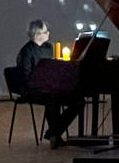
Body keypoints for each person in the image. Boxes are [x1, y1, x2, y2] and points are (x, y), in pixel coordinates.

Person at [16, 19, 81, 148]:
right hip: (33, 90)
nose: (48, 33)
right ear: (36, 34)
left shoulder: (49, 48)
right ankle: (55, 136)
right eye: (45, 32)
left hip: (50, 88)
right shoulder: (26, 52)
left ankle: (53, 133)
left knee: (78, 101)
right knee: (53, 99)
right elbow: (26, 77)